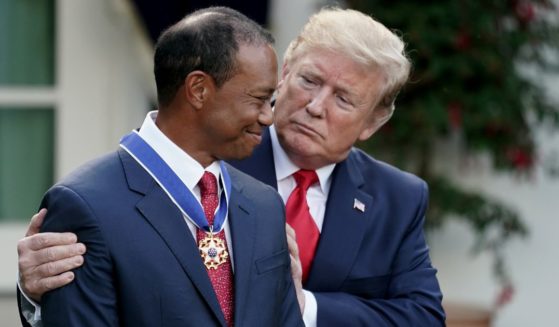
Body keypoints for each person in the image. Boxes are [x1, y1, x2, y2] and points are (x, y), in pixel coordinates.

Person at [17, 7, 445, 326]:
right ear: (284, 74)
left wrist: (306, 306)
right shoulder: (198, 156)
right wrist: (37, 296)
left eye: (343, 99)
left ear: (373, 122)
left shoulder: (399, 197)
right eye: (309, 81)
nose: (315, 107)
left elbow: (424, 316)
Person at [17, 6, 303, 327]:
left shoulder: (265, 205)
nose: (268, 117)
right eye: (258, 99)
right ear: (198, 90)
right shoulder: (85, 206)